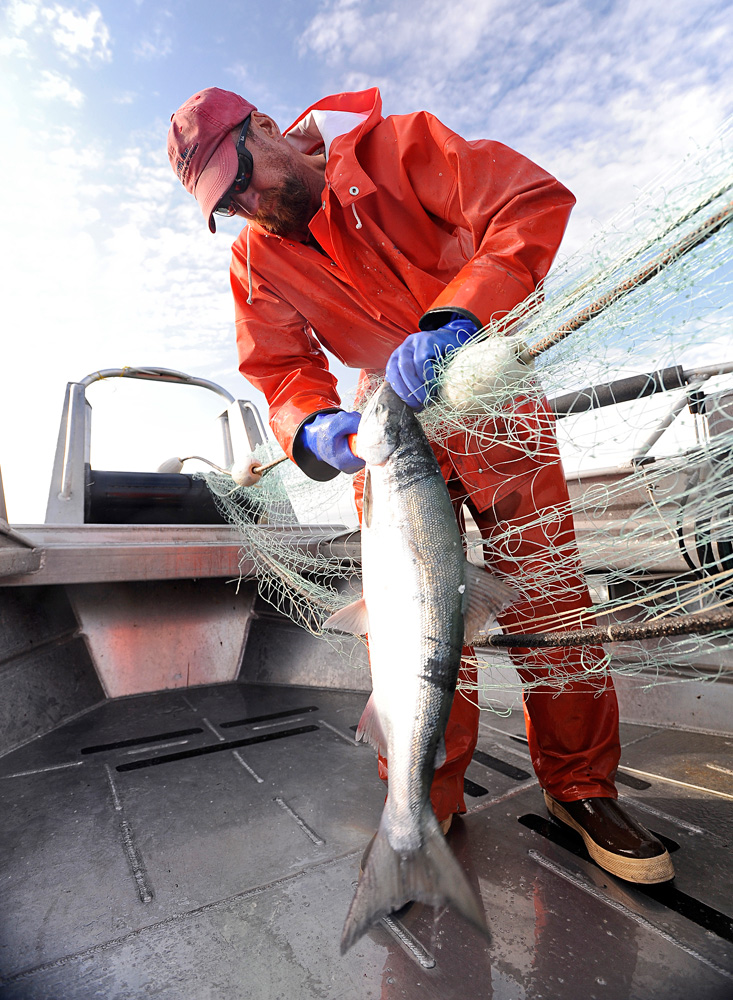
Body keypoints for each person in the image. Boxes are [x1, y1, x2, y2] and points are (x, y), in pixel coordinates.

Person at [168, 86, 674, 884]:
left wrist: (456, 317)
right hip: (383, 432)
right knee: (403, 622)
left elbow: (525, 202)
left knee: (549, 597)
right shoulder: (254, 259)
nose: (247, 206)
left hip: (488, 399)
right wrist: (311, 425)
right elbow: (280, 368)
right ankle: (422, 801)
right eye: (226, 204)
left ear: (265, 128)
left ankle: (580, 788)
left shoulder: (396, 149)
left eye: (242, 179)